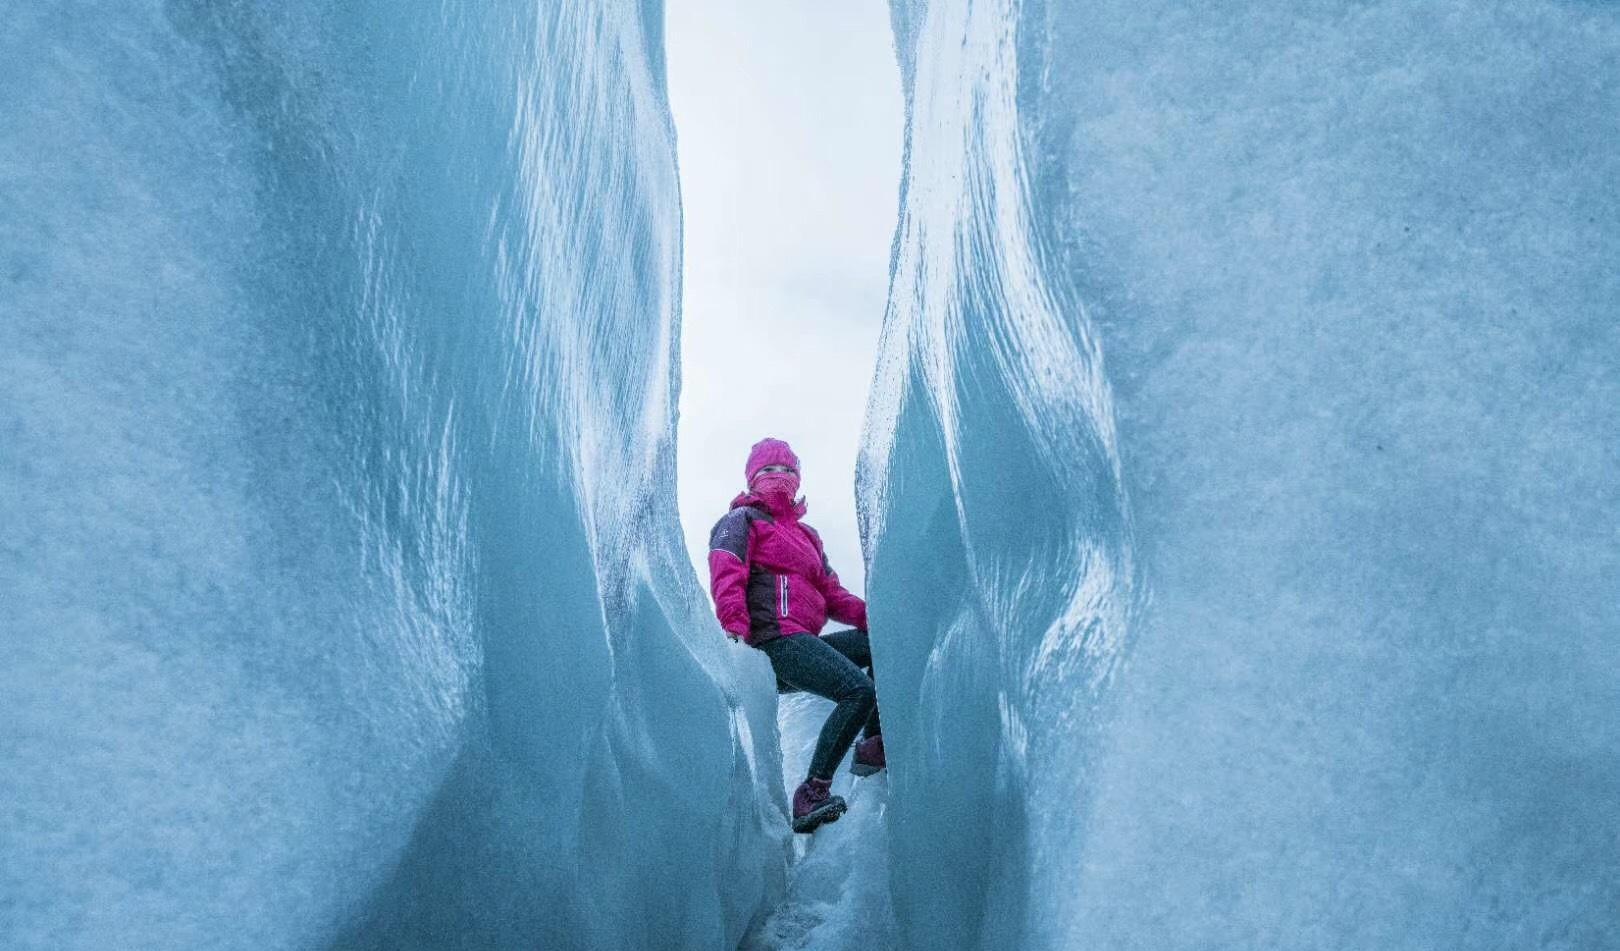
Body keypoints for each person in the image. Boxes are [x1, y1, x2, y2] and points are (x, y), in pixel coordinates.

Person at [707, 437, 885, 833]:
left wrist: (881, 618)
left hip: (803, 642)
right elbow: (727, 573)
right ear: (753, 478)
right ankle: (812, 794)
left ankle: (873, 746)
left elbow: (833, 594)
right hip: (772, 642)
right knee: (857, 690)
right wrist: (735, 633)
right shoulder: (742, 521)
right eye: (769, 470)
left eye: (787, 470)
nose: (779, 477)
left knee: (881, 646)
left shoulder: (808, 537)